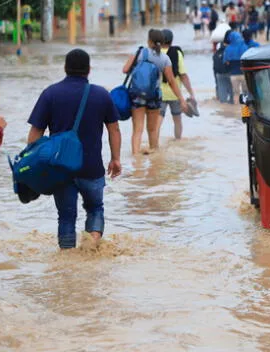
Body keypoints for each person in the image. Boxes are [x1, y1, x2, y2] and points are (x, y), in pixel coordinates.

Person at [26, 49, 123, 249]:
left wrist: (33, 163)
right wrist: (115, 159)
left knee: (66, 217)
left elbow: (35, 133)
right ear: (89, 70)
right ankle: (91, 245)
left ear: (65, 68)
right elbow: (114, 129)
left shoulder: (50, 93)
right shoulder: (101, 95)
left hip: (61, 170)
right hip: (92, 168)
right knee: (95, 208)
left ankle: (68, 265)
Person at [122, 29, 187, 155]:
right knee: (152, 130)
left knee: (137, 130)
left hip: (137, 95)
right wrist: (181, 99)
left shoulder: (139, 53)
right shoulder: (164, 59)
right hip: (154, 96)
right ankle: (154, 156)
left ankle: (136, 160)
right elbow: (171, 81)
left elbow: (125, 70)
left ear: (149, 40)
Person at [160, 29, 196, 140]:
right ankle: (178, 141)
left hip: (159, 94)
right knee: (177, 120)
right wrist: (191, 93)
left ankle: (154, 145)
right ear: (171, 40)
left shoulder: (155, 53)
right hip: (175, 93)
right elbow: (183, 75)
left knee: (158, 121)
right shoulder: (177, 53)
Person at [224, 31, 249, 103]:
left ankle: (236, 111)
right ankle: (245, 112)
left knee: (236, 94)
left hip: (233, 75)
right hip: (244, 74)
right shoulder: (245, 47)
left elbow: (226, 62)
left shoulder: (228, 49)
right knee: (245, 94)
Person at [214, 30, 234, 104]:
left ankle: (223, 108)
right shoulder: (231, 47)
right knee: (232, 91)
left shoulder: (219, 45)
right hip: (229, 72)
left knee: (222, 95)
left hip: (219, 73)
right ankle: (231, 105)